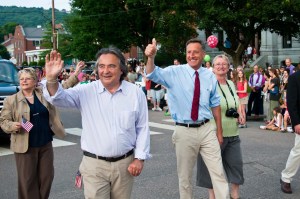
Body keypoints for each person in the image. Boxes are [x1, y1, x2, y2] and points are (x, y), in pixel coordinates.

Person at [43, 49, 150, 199]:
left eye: (111, 66)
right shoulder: (85, 91)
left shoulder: (135, 93)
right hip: (94, 165)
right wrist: (52, 79)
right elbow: (58, 98)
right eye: (101, 66)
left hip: (125, 165)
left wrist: (139, 159)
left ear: (121, 70)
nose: (105, 71)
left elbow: (142, 128)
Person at [145, 38, 229, 199]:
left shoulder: (210, 76)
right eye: (189, 52)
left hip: (206, 129)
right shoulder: (174, 72)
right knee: (185, 177)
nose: (192, 55)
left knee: (218, 173)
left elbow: (215, 105)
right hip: (184, 130)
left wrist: (219, 131)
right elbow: (151, 73)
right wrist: (151, 57)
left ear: (203, 54)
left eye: (196, 52)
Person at [0, 64, 82, 199]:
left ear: (35, 81)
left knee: (47, 177)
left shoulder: (43, 93)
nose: (24, 81)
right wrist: (12, 125)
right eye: (22, 79)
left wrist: (76, 74)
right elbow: (3, 121)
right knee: (27, 181)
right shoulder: (12, 100)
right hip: (25, 146)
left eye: (28, 78)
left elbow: (63, 87)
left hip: (45, 144)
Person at [196, 54, 244, 199]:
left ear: (228, 66)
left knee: (236, 165)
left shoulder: (230, 84)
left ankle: (234, 194)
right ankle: (213, 196)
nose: (221, 66)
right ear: (213, 67)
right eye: (218, 64)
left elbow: (234, 102)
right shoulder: (208, 85)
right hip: (212, 134)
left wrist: (240, 113)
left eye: (224, 64)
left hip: (233, 133)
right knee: (210, 169)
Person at [280, 69, 300, 194]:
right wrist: (296, 122)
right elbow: (291, 103)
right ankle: (286, 178)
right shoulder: (295, 77)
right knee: (298, 151)